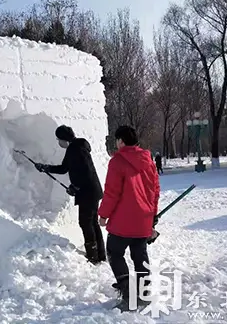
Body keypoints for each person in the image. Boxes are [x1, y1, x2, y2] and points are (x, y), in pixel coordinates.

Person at [98, 125, 160, 311]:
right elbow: (155, 191)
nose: (116, 144)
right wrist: (152, 217)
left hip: (123, 221)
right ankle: (144, 293)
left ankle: (128, 294)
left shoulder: (117, 161)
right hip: (143, 220)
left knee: (114, 253)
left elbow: (112, 192)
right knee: (140, 255)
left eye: (117, 140)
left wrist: (103, 215)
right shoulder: (148, 160)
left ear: (121, 141)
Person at [34, 125, 106, 264]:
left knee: (86, 223)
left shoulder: (76, 149)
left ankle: (93, 256)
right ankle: (99, 254)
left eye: (58, 139)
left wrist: (76, 187)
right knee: (91, 222)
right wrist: (45, 167)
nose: (58, 142)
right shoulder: (76, 147)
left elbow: (86, 171)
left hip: (88, 192)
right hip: (90, 191)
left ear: (64, 139)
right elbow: (64, 168)